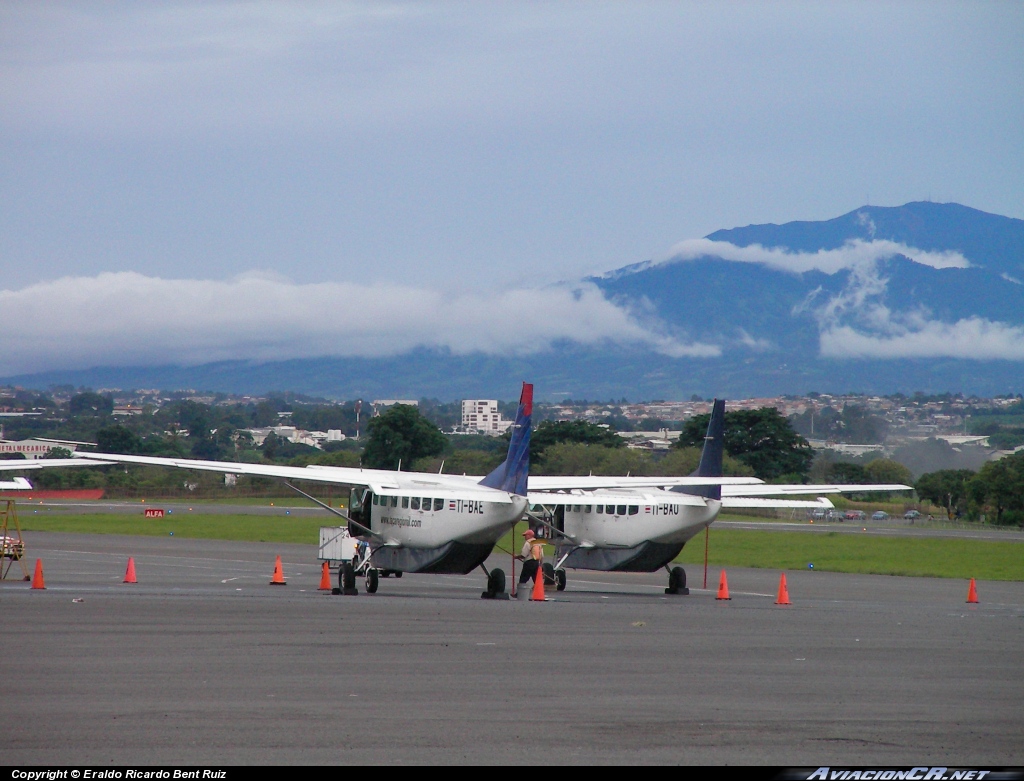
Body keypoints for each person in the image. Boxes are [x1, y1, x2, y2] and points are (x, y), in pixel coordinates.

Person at [516, 528, 543, 599]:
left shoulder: (528, 543)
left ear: (530, 536)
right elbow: (541, 555)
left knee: (523, 579)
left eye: (526, 535)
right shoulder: (538, 543)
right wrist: (540, 564)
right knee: (536, 579)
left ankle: (519, 593)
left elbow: (523, 554)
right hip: (536, 563)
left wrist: (516, 557)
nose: (525, 537)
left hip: (529, 563)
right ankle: (539, 593)